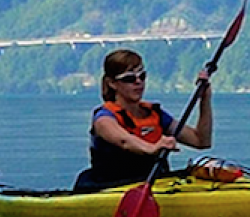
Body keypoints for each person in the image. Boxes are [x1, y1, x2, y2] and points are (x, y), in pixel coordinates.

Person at [73, 49, 213, 192]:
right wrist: (152, 148)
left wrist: (204, 100)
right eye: (129, 79)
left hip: (155, 186)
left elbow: (201, 141)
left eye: (142, 76)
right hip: (113, 187)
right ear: (112, 83)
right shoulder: (104, 119)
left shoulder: (155, 115)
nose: (138, 82)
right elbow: (125, 141)